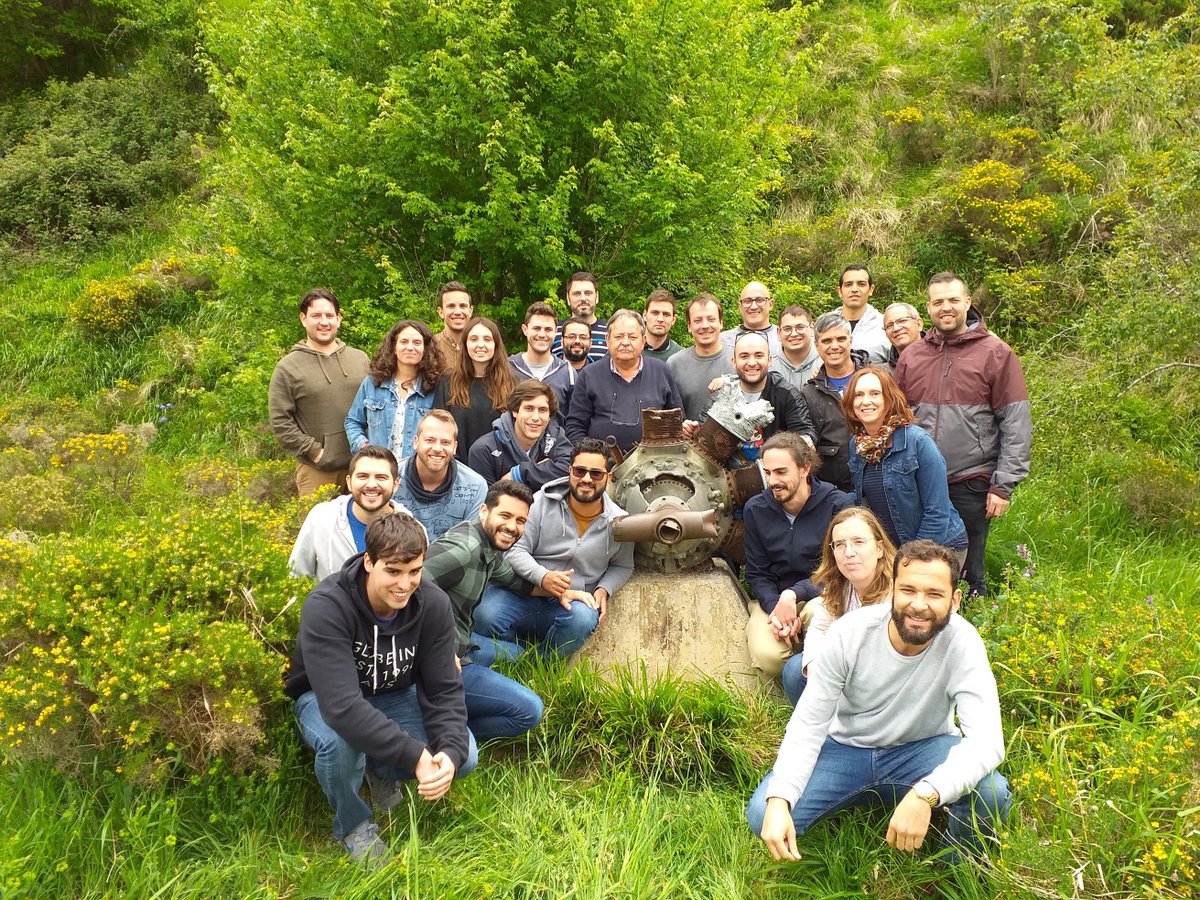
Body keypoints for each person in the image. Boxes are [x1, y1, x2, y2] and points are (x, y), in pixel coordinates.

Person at [747, 540, 1010, 863]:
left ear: (954, 600)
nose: (919, 605)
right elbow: (809, 724)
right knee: (763, 814)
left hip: (921, 749)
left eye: (934, 594)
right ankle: (853, 802)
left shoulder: (963, 642)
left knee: (991, 793)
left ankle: (954, 867)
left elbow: (987, 742)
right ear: (893, 591)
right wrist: (780, 797)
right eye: (908, 590)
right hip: (845, 748)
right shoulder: (849, 633)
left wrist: (928, 792)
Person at [285, 513, 477, 864]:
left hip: (392, 692)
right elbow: (342, 707)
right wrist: (415, 755)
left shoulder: (433, 604)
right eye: (393, 571)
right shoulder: (327, 605)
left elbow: (443, 690)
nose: (405, 584)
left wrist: (448, 752)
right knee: (338, 742)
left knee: (465, 754)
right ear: (369, 561)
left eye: (414, 571)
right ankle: (353, 825)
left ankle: (378, 768)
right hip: (322, 698)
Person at [894, 272, 1031, 597]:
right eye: (938, 301)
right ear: (928, 307)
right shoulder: (912, 355)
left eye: (953, 300)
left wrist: (1003, 485)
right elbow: (894, 415)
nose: (946, 307)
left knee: (969, 571)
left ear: (967, 303)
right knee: (919, 564)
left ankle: (973, 618)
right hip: (917, 479)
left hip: (971, 479)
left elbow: (1015, 422)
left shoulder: (996, 353)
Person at [473, 438, 634, 659]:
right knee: (485, 614)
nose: (586, 479)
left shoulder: (619, 521)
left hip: (573, 599)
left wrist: (604, 589)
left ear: (608, 476)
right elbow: (515, 550)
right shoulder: (540, 502)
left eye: (596, 474)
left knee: (583, 619)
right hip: (524, 590)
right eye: (580, 471)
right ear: (570, 471)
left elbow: (623, 565)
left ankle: (538, 662)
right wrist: (543, 576)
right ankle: (514, 654)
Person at [422, 481, 544, 740]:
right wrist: (437, 648)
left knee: (520, 655)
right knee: (529, 711)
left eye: (520, 520)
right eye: (505, 515)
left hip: (464, 641)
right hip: (439, 660)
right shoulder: (464, 549)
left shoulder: (490, 545)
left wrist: (557, 589)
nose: (512, 527)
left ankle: (452, 716)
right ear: (484, 511)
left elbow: (513, 580)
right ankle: (445, 733)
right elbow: (406, 591)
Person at [742, 433, 852, 684]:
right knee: (768, 658)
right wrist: (777, 609)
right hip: (775, 599)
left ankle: (818, 665)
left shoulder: (838, 505)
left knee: (816, 613)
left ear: (805, 468)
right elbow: (757, 573)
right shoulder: (755, 509)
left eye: (781, 472)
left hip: (823, 593)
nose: (773, 481)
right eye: (767, 472)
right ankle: (795, 643)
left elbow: (842, 568)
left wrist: (795, 594)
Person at [842, 367, 968, 572]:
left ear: (889, 399)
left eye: (875, 393)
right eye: (858, 395)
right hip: (894, 550)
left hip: (939, 546)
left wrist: (912, 560)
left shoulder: (918, 442)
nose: (866, 401)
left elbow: (937, 512)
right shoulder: (857, 445)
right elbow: (862, 500)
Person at [780, 506, 896, 704]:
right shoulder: (839, 584)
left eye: (859, 542)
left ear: (879, 548)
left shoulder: (899, 591)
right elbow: (820, 629)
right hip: (844, 668)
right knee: (795, 670)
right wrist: (815, 668)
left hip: (887, 682)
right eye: (840, 544)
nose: (849, 552)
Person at [268, 288, 370, 496]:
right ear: (303, 319)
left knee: (366, 519)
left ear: (338, 319)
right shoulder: (288, 368)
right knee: (317, 519)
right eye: (316, 315)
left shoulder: (360, 359)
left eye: (329, 315)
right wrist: (314, 452)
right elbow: (280, 421)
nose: (324, 322)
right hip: (317, 471)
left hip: (362, 468)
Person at [289, 445, 419, 581]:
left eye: (381, 477)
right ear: (349, 482)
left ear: (395, 484)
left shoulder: (413, 529)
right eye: (363, 476)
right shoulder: (321, 518)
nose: (371, 485)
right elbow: (296, 576)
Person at [565, 309, 683, 455]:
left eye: (632, 337)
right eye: (619, 336)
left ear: (643, 341)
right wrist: (589, 458)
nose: (625, 342)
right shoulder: (589, 375)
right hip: (601, 464)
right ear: (608, 340)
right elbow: (575, 426)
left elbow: (677, 421)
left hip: (653, 462)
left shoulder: (661, 371)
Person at [345, 319, 442, 463]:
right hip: (378, 467)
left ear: (425, 349)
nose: (410, 347)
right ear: (394, 348)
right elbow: (353, 421)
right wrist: (364, 447)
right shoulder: (373, 383)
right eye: (404, 342)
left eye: (417, 343)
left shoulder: (436, 387)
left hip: (417, 470)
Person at [392, 410, 487, 541]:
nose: (437, 448)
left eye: (445, 442)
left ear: (455, 447)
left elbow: (469, 544)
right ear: (415, 442)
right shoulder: (390, 477)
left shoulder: (475, 487)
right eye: (430, 440)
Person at [799, 313, 866, 491]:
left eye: (841, 339)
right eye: (827, 341)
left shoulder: (874, 379)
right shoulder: (808, 394)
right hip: (834, 491)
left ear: (850, 340)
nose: (834, 346)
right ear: (816, 345)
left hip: (877, 482)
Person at [433, 317, 515, 463]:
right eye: (474, 339)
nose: (480, 345)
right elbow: (439, 427)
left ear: (496, 344)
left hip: (499, 467)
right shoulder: (447, 381)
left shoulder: (512, 383)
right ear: (465, 344)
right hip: (457, 467)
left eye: (487, 339)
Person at [468, 379, 571, 491]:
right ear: (515, 411)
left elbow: (574, 468)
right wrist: (545, 470)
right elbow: (488, 498)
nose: (535, 417)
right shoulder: (484, 449)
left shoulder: (555, 437)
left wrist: (519, 474)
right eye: (529, 409)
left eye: (542, 410)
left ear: (549, 416)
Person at [667, 293, 734, 422]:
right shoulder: (674, 364)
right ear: (689, 326)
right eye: (697, 321)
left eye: (711, 319)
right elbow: (668, 413)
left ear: (721, 323)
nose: (705, 326)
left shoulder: (740, 360)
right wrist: (681, 425)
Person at [508, 301, 577, 422]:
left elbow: (575, 419)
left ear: (555, 332)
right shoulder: (508, 368)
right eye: (536, 328)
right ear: (525, 329)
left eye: (548, 329)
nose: (542, 334)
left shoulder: (568, 373)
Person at [835, 264, 890, 365]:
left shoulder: (886, 325)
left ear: (871, 289)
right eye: (848, 284)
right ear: (839, 291)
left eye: (861, 284)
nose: (854, 289)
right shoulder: (824, 325)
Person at [551, 272, 608, 363]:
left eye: (588, 293)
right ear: (568, 298)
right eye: (577, 294)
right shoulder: (553, 332)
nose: (583, 298)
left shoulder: (610, 332)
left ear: (597, 297)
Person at [721, 281, 782, 359]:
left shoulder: (784, 339)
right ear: (740, 307)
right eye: (747, 301)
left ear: (770, 304)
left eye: (759, 300)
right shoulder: (723, 342)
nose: (753, 307)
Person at [770, 304, 821, 392]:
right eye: (787, 329)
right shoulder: (769, 369)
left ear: (812, 328)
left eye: (800, 327)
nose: (794, 334)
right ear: (778, 332)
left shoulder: (826, 364)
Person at [432, 281, 474, 362]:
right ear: (441, 312)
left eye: (463, 306)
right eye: (451, 306)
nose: (458, 312)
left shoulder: (481, 347)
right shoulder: (430, 347)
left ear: (470, 311)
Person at [642, 289, 682, 361]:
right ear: (645, 315)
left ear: (673, 319)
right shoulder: (630, 350)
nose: (660, 319)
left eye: (666, 314)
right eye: (655, 313)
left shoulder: (681, 357)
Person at [882, 302, 924, 370]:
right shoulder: (884, 373)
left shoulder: (940, 358)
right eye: (889, 325)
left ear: (918, 324)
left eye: (902, 321)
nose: (896, 328)